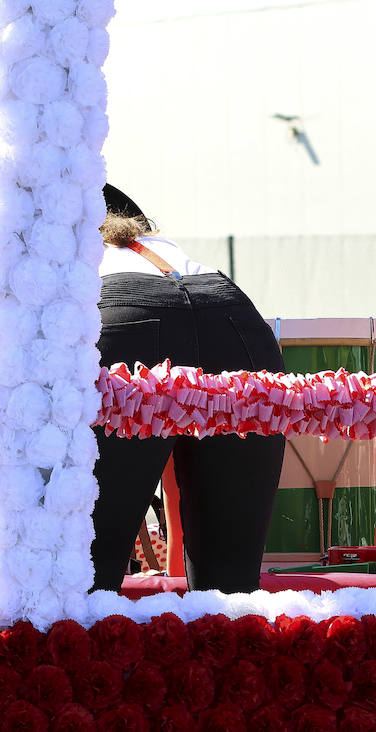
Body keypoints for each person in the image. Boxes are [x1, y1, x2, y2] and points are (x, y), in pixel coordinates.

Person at [91, 185, 286, 592]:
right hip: (234, 317)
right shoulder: (158, 246)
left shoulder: (50, 249)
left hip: (128, 316)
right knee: (231, 588)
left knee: (85, 571)